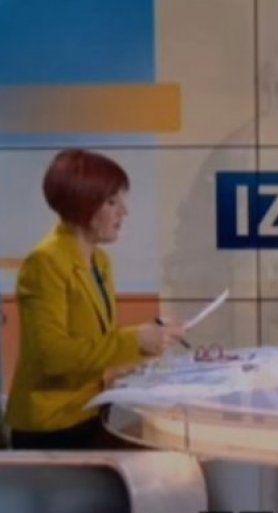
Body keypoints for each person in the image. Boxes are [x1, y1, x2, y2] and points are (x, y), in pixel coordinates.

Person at [5, 149, 185, 449]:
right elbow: (54, 356)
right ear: (83, 204)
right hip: (53, 426)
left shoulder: (100, 261)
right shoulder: (45, 263)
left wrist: (148, 341)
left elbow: (96, 344)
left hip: (91, 411)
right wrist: (135, 340)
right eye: (112, 202)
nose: (123, 212)